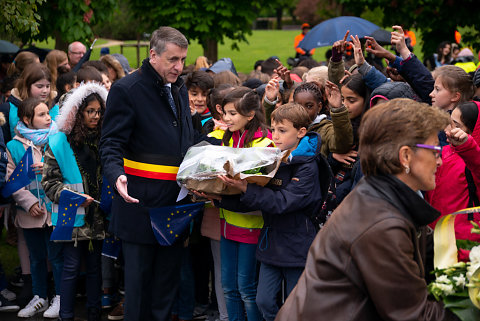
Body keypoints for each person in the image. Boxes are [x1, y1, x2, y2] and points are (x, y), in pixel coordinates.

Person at [275, 98, 459, 321]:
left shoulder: (383, 200)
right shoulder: (381, 224)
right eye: (434, 150)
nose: (439, 161)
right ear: (406, 156)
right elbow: (414, 316)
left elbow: (430, 258)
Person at [99, 26, 217, 321]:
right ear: (153, 55)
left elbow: (182, 144)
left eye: (183, 59)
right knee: (139, 291)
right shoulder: (127, 90)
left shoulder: (177, 87)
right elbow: (111, 143)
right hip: (140, 205)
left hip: (175, 206)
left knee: (166, 289)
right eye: (173, 59)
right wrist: (116, 175)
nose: (180, 67)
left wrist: (216, 144)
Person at [212, 103, 323, 321]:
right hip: (271, 243)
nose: (275, 136)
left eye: (282, 131)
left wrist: (245, 187)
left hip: (297, 245)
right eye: (273, 130)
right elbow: (256, 200)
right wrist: (219, 198)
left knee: (295, 305)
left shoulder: (308, 166)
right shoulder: (274, 158)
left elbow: (283, 202)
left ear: (301, 132)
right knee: (263, 300)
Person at [42, 82, 108, 321]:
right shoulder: (59, 142)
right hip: (72, 216)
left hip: (98, 217)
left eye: (99, 111)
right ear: (77, 112)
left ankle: (94, 313)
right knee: (70, 268)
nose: (95, 116)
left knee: (94, 269)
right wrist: (75, 197)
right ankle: (66, 315)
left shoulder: (104, 139)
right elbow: (49, 183)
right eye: (89, 111)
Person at [213, 86, 274, 321]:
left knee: (247, 288)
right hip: (227, 222)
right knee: (229, 286)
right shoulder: (228, 138)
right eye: (225, 113)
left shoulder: (264, 145)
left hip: (252, 225)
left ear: (250, 115)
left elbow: (261, 189)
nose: (226, 119)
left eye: (232, 113)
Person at [7, 97, 62, 319]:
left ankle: (60, 296)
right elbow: (12, 180)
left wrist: (48, 168)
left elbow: (68, 172)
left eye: (48, 113)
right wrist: (29, 203)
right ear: (27, 120)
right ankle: (40, 296)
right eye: (42, 115)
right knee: (37, 257)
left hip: (55, 212)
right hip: (30, 214)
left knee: (56, 256)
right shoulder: (13, 146)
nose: (48, 118)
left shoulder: (57, 141)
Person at [426, 101, 480, 261]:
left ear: (473, 130)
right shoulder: (444, 151)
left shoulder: (473, 157)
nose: (447, 130)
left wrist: (467, 146)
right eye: (448, 122)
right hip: (434, 236)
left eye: (455, 125)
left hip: (463, 244)